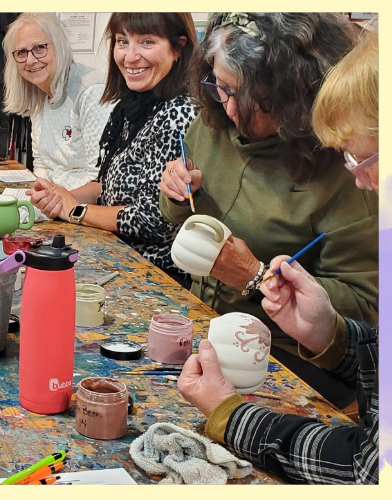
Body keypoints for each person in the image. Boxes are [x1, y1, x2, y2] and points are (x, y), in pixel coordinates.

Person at [177, 30, 379, 484]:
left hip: (286, 372)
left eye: (363, 162)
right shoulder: (211, 130)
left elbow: (369, 470)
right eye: (219, 87)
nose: (360, 181)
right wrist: (333, 335)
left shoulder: (343, 190)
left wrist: (232, 417)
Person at [27, 13, 198, 285]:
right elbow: (105, 186)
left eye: (146, 42)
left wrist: (76, 211)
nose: (130, 57)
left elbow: (151, 220)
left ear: (177, 49)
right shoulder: (131, 106)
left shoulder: (179, 114)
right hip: (116, 256)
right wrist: (61, 199)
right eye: (122, 41)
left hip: (156, 276)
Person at [2, 13, 113, 190]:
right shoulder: (37, 92)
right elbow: (43, 165)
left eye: (40, 48)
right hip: (53, 200)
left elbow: (101, 178)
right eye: (22, 52)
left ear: (59, 46)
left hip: (85, 206)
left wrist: (57, 201)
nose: (30, 60)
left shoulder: (92, 92)